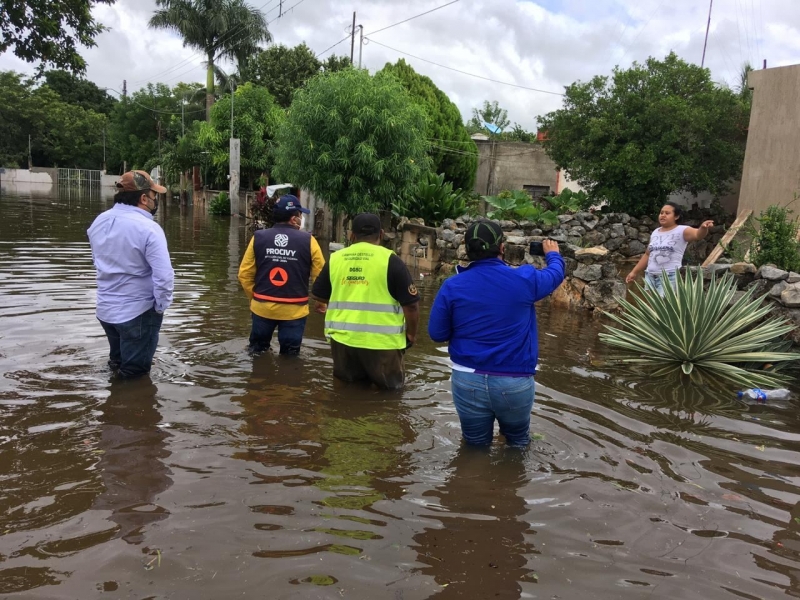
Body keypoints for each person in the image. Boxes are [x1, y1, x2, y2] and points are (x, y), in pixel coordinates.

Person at [428, 220, 565, 447]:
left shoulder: (453, 286)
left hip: (467, 380)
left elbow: (437, 333)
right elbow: (555, 274)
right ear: (502, 248)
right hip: (514, 383)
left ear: (467, 250)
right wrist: (553, 254)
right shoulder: (525, 280)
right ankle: (512, 480)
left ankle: (469, 479)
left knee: (473, 447)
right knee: (518, 444)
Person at [311, 213, 419, 390]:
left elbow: (319, 295)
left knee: (345, 394)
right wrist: (412, 335)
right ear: (381, 234)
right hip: (383, 344)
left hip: (343, 342)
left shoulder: (336, 258)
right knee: (390, 397)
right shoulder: (391, 260)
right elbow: (412, 305)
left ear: (351, 235)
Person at [87, 170, 174, 379]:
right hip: (138, 313)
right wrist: (160, 307)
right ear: (143, 198)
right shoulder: (149, 229)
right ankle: (126, 408)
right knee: (135, 378)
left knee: (117, 365)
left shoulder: (99, 221)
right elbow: (164, 277)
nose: (155, 201)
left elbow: (99, 262)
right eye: (154, 196)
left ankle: (111, 405)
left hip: (106, 311)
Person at [238, 194, 325, 355]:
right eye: (300, 215)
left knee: (257, 353)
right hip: (294, 311)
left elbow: (244, 274)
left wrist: (255, 299)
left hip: (262, 308)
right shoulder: (309, 241)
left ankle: (258, 378)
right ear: (294, 219)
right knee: (291, 357)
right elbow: (321, 275)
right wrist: (321, 301)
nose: (301, 218)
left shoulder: (258, 238)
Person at [625, 202, 714, 295]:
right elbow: (648, 254)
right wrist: (634, 272)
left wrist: (703, 228)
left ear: (676, 216)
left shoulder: (682, 230)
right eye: (661, 213)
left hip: (669, 276)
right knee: (652, 307)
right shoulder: (656, 232)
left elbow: (698, 235)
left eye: (667, 213)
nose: (663, 215)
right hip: (650, 275)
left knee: (664, 306)